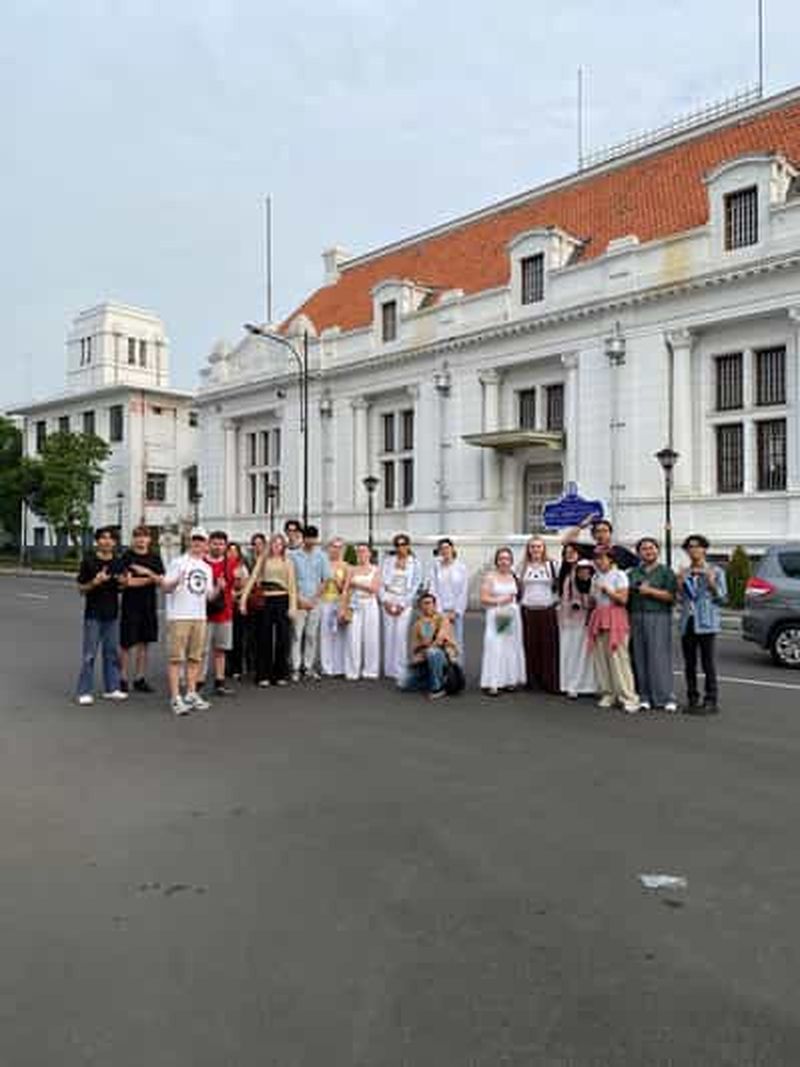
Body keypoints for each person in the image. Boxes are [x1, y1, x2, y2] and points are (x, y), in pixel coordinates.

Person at [160, 528, 222, 716]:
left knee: (196, 658)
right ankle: (176, 698)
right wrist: (173, 583)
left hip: (199, 616)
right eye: (194, 540)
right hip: (179, 616)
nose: (198, 544)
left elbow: (209, 596)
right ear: (189, 542)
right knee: (176, 659)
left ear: (206, 544)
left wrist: (219, 587)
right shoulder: (178, 563)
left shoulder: (206, 568)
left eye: (201, 540)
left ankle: (191, 693)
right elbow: (165, 588)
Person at [75, 526, 128, 705]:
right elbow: (81, 589)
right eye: (103, 538)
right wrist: (95, 582)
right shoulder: (89, 562)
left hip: (112, 613)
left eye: (111, 538)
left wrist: (123, 583)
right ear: (97, 541)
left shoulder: (119, 562)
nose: (107, 541)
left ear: (115, 542)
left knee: (112, 653)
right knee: (89, 654)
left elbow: (121, 587)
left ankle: (111, 688)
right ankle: (84, 691)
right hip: (93, 614)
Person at [677, 534, 727, 715]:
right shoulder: (685, 571)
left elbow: (723, 599)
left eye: (698, 546)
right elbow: (679, 599)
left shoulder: (716, 571)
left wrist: (712, 583)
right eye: (690, 547)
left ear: (705, 549)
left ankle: (711, 700)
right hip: (687, 622)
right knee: (689, 663)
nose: (694, 550)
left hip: (706, 622)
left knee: (708, 663)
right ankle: (692, 698)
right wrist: (680, 584)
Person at [587, 546, 640, 713]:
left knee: (619, 658)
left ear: (611, 559)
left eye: (602, 558)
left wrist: (608, 591)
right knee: (602, 658)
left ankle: (628, 697)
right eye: (596, 558)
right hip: (599, 616)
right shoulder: (596, 576)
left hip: (616, 616)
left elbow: (623, 599)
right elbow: (593, 600)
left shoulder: (619, 575)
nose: (599, 561)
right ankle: (608, 693)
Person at [241, 532, 297, 688]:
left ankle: (280, 674)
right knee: (263, 638)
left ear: (283, 546)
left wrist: (292, 606)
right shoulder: (263, 560)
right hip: (265, 600)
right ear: (270, 545)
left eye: (280, 544)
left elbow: (292, 585)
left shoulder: (288, 561)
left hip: (282, 598)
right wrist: (243, 600)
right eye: (274, 544)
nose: (276, 547)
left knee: (282, 638)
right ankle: (263, 674)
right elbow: (252, 579)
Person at [629, 537, 678, 712]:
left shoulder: (666, 572)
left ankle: (666, 697)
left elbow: (671, 596)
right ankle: (644, 696)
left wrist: (649, 591)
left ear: (657, 551)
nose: (648, 551)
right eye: (644, 549)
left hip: (658, 616)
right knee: (640, 657)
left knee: (659, 657)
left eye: (651, 548)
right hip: (636, 616)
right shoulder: (633, 572)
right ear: (639, 553)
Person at [118, 524, 164, 693]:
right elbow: (125, 582)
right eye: (137, 536)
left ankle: (140, 678)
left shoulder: (155, 557)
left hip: (148, 605)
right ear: (133, 539)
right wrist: (149, 578)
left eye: (144, 536)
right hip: (130, 605)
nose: (141, 539)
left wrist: (144, 572)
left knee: (144, 643)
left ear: (149, 539)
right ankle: (122, 678)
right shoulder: (127, 557)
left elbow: (161, 580)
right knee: (126, 644)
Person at [479, 547, 526, 696]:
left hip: (512, 615)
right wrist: (501, 600)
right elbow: (484, 598)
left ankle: (509, 680)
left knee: (510, 646)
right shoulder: (490, 577)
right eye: (501, 558)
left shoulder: (514, 576)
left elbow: (519, 595)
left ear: (511, 561)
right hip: (498, 614)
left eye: (507, 559)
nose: (504, 561)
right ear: (496, 561)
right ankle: (493, 683)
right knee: (495, 645)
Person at [288, 524, 330, 681]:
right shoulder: (294, 556)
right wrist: (299, 599)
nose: (311, 541)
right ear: (303, 538)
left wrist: (314, 599)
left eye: (313, 538)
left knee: (311, 635)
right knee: (296, 635)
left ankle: (308, 666)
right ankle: (295, 668)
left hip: (315, 601)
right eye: (308, 538)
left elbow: (325, 580)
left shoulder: (322, 556)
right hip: (298, 600)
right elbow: (290, 579)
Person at [399, 592, 458, 700]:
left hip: (442, 656)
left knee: (433, 652)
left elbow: (440, 640)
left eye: (429, 603)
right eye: (423, 604)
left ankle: (438, 688)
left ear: (434, 605)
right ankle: (436, 678)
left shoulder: (443, 619)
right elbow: (415, 648)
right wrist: (418, 654)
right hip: (424, 659)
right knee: (402, 682)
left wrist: (427, 648)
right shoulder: (417, 624)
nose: (426, 606)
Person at [519, 537, 560, 693]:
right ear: (528, 549)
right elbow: (518, 587)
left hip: (547, 609)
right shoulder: (522, 566)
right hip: (528, 610)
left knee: (548, 647)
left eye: (539, 547)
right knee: (530, 646)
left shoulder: (552, 565)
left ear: (544, 548)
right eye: (532, 547)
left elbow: (557, 586)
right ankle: (531, 680)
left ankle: (548, 681)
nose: (536, 550)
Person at [380, 533, 423, 680]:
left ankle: (400, 668)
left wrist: (403, 604)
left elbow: (416, 585)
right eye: (397, 545)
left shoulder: (415, 563)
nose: (400, 548)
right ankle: (389, 669)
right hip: (389, 598)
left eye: (403, 544)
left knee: (400, 635)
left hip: (404, 600)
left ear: (408, 546)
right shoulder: (387, 561)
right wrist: (385, 601)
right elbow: (380, 582)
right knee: (389, 634)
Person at [557, 545, 596, 698]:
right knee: (571, 651)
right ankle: (570, 683)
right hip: (568, 619)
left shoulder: (586, 569)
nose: (569, 555)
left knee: (584, 652)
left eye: (572, 552)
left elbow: (588, 592)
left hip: (583, 617)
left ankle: (585, 684)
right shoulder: (565, 573)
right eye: (566, 553)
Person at [204, 530, 238, 697]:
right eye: (215, 543)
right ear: (209, 544)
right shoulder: (202, 563)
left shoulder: (230, 563)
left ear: (226, 546)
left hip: (224, 612)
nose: (218, 547)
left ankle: (219, 682)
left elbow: (234, 585)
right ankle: (197, 682)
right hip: (203, 613)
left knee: (221, 650)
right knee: (201, 650)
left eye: (221, 544)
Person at [341, 542, 381, 680]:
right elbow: (346, 589)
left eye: (364, 551)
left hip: (370, 604)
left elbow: (375, 589)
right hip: (354, 605)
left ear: (370, 553)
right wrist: (344, 607)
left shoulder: (376, 569)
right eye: (359, 552)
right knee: (353, 637)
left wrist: (357, 584)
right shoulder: (351, 570)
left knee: (371, 637)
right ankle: (352, 670)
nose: (361, 554)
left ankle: (371, 670)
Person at [427, 538, 469, 663]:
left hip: (455, 613)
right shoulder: (435, 568)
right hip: (439, 611)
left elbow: (463, 591)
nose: (445, 551)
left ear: (452, 549)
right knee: (438, 642)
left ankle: (456, 673)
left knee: (455, 642)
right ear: (439, 551)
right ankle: (440, 673)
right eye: (442, 549)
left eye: (447, 548)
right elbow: (433, 589)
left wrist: (456, 611)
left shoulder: (461, 567)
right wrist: (439, 611)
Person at [562, 515, 638, 571]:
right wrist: (581, 526)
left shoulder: (621, 551)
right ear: (593, 535)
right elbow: (566, 542)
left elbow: (639, 564)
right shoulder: (589, 550)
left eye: (605, 531)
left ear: (610, 533)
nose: (601, 534)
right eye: (598, 531)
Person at [319, 538, 349, 677]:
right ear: (328, 548)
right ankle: (327, 667)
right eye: (333, 546)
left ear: (343, 549)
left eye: (339, 547)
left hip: (338, 602)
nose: (336, 549)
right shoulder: (322, 564)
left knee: (339, 635)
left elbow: (346, 589)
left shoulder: (346, 566)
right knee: (325, 635)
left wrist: (337, 582)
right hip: (324, 601)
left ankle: (339, 667)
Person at [225, 542, 249, 681]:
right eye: (230, 551)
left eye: (235, 551)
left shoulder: (242, 567)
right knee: (226, 638)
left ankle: (238, 668)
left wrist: (237, 592)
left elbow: (245, 584)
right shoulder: (223, 566)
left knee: (238, 637)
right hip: (226, 605)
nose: (232, 553)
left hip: (238, 603)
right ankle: (227, 666)